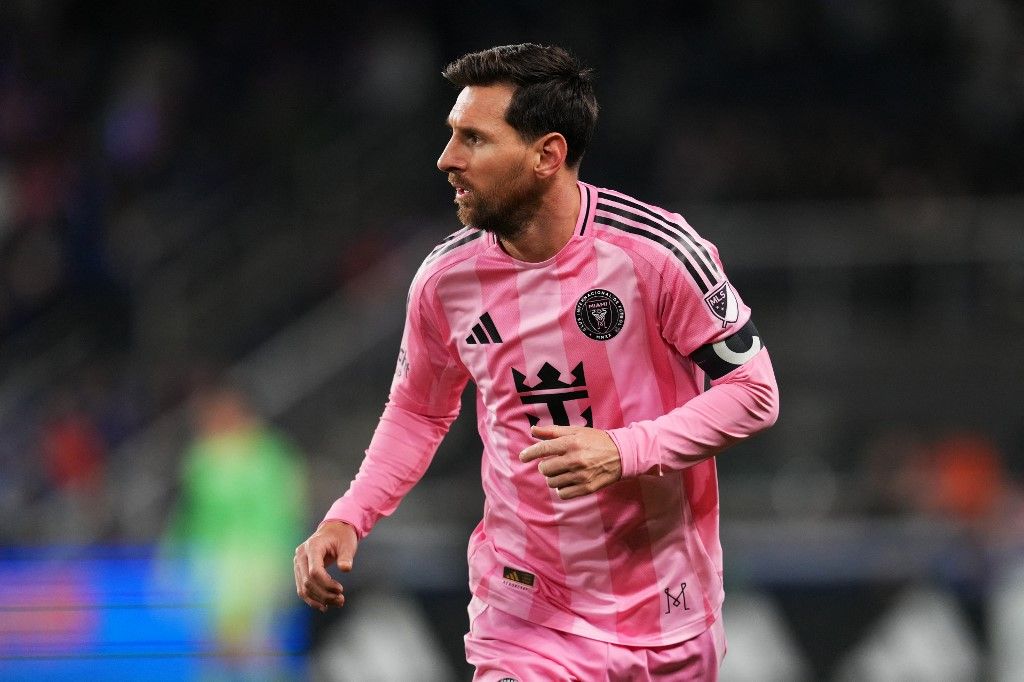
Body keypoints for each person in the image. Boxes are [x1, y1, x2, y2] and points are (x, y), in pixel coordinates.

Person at [295, 43, 779, 681]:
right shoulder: (446, 281)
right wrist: (349, 515)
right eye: (452, 135)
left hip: (668, 612)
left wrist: (623, 450)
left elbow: (754, 393)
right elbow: (418, 410)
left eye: (474, 139)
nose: (447, 159)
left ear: (547, 154)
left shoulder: (658, 253)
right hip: (525, 613)